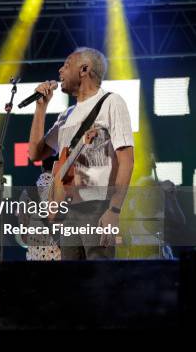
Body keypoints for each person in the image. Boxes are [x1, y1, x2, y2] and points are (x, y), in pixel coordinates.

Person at [28, 47, 134, 260]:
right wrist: (41, 108)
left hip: (97, 207)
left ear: (84, 69)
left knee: (99, 278)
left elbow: (127, 161)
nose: (60, 70)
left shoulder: (111, 102)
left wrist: (114, 210)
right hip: (68, 211)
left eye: (67, 65)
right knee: (73, 284)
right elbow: (36, 153)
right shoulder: (66, 115)